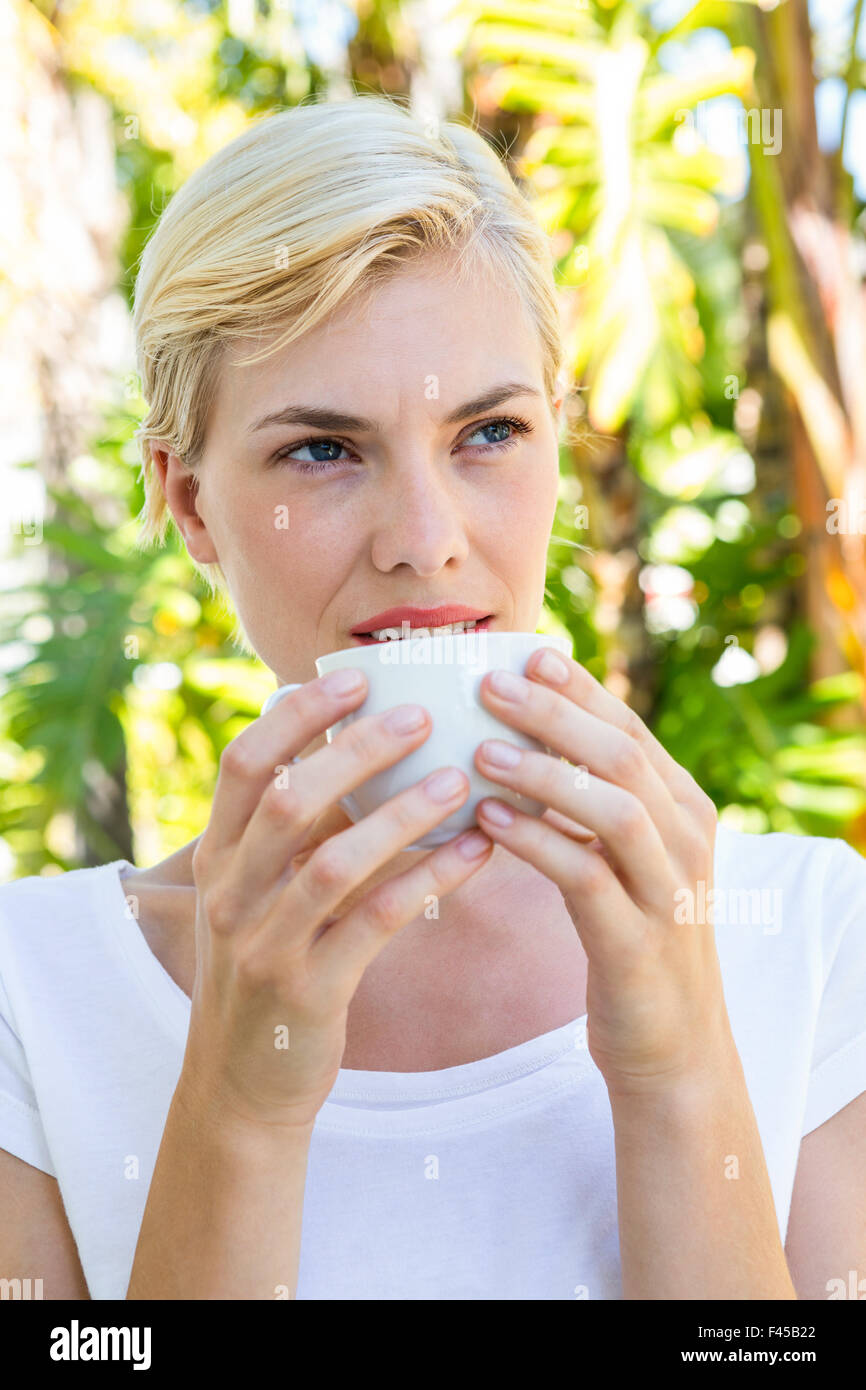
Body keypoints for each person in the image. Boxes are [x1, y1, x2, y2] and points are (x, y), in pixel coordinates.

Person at [1, 93, 865, 1302]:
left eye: (487, 432)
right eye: (322, 450)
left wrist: (675, 1070)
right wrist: (241, 1104)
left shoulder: (815, 937)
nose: (425, 541)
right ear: (190, 502)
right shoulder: (33, 994)